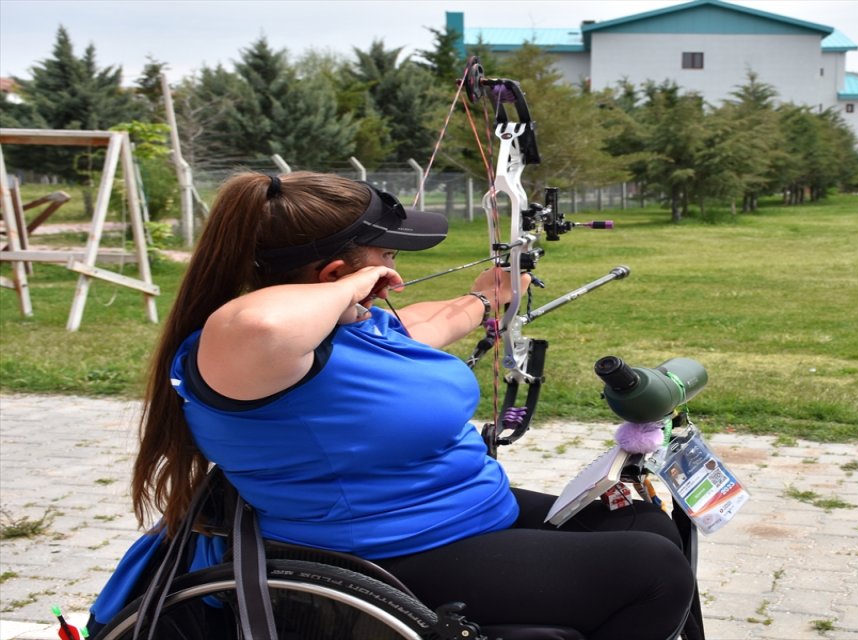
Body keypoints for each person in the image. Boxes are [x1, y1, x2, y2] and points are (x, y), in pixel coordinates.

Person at [127, 172, 695, 638]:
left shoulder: (358, 328)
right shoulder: (241, 350)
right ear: (333, 275)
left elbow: (431, 320)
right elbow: (262, 320)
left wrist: (489, 293)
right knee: (654, 574)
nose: (394, 276)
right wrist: (357, 283)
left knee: (645, 517)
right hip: (385, 552)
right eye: (386, 256)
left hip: (467, 513)